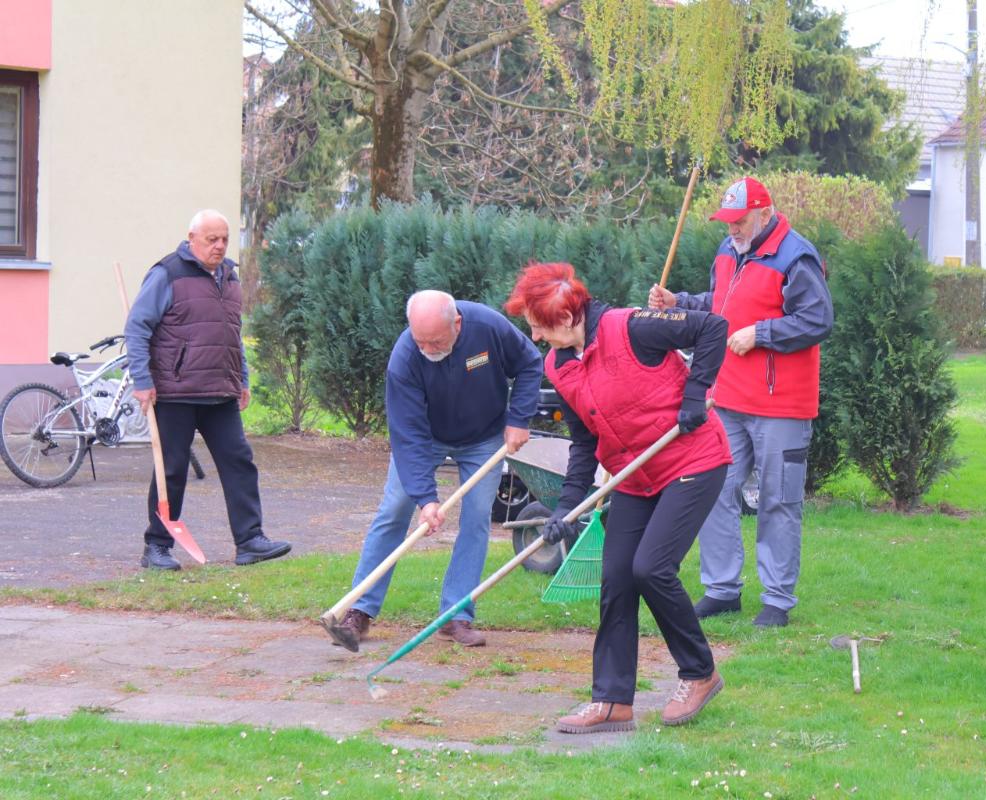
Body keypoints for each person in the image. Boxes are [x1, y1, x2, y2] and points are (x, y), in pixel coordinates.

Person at [505, 262, 732, 733]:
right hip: (633, 476)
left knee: (651, 568)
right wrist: (567, 507)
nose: (536, 337)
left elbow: (712, 327)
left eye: (539, 327)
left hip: (692, 459)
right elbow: (584, 444)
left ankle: (699, 672)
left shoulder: (631, 326)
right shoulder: (558, 366)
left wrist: (695, 394)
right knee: (617, 579)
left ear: (565, 317)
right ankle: (612, 702)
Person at [648, 176, 833, 628]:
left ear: (765, 214)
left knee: (778, 501)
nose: (732, 229)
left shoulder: (796, 256)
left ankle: (777, 600)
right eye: (728, 221)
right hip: (727, 398)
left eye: (740, 221)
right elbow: (721, 304)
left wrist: (762, 333)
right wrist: (679, 301)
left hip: (782, 407)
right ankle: (722, 589)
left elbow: (818, 319)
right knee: (714, 490)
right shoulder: (729, 251)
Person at [328, 290, 542, 651]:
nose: (427, 349)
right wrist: (426, 499)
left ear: (457, 323)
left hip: (484, 437)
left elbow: (530, 362)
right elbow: (408, 435)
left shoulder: (487, 327)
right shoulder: (405, 358)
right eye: (420, 341)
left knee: (476, 517)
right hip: (425, 438)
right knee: (394, 510)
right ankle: (359, 611)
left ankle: (456, 615)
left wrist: (520, 418)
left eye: (436, 341)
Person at [125, 209, 292, 571]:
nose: (219, 246)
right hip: (175, 392)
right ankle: (156, 546)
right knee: (171, 469)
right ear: (192, 239)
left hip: (220, 391)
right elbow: (137, 328)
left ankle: (250, 541)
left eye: (224, 239)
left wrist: (242, 378)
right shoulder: (167, 274)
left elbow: (233, 333)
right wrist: (142, 381)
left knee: (239, 462)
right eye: (211, 239)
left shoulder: (229, 277)